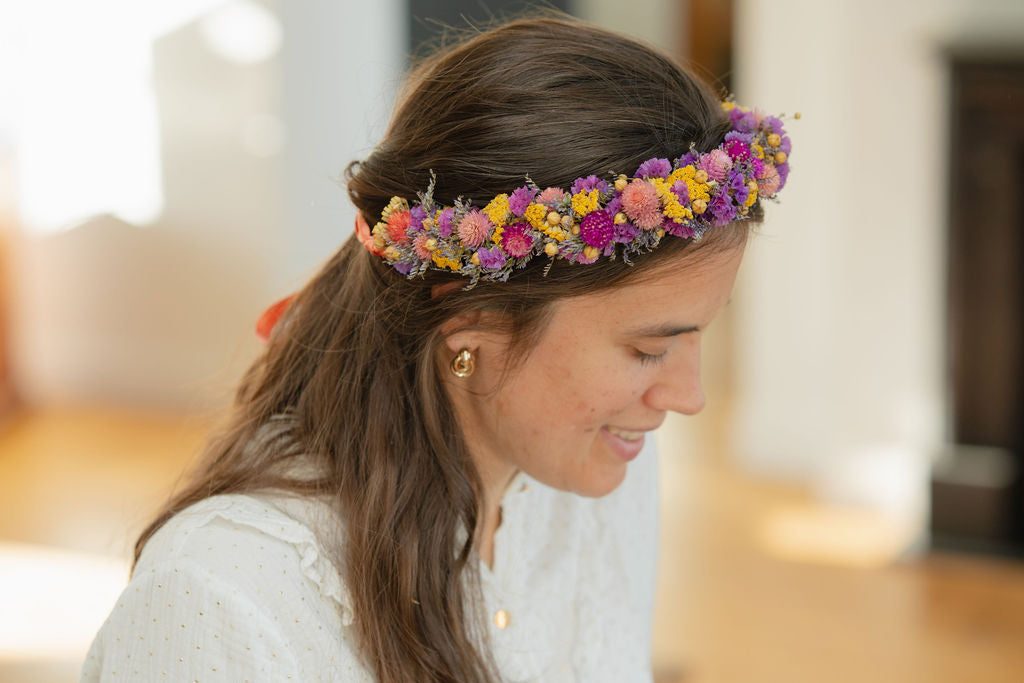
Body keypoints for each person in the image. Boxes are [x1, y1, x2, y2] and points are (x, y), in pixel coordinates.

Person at [80, 12, 793, 683]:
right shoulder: (223, 598)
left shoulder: (600, 467)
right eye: (646, 351)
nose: (689, 397)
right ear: (470, 325)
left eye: (701, 331)